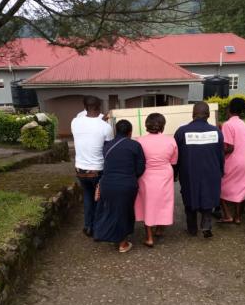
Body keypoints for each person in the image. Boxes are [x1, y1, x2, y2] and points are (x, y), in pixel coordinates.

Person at [93, 120, 146, 253]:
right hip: (126, 184)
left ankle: (108, 235)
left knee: (110, 210)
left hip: (107, 183)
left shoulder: (107, 146)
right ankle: (122, 243)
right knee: (124, 212)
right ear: (130, 132)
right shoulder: (135, 145)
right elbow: (140, 168)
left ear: (116, 131)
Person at [174, 101, 224, 238]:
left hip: (189, 172)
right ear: (208, 115)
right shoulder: (216, 132)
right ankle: (206, 225)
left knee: (189, 196)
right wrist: (221, 171)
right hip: (211, 171)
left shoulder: (181, 131)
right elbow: (221, 155)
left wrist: (175, 173)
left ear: (193, 114)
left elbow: (176, 156)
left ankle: (192, 229)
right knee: (208, 195)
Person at [71, 95, 113, 237]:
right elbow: (107, 148)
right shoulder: (106, 127)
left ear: (84, 107)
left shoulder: (75, 122)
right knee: (100, 199)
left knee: (88, 197)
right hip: (97, 170)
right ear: (99, 107)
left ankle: (88, 226)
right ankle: (98, 228)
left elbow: (87, 126)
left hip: (80, 169)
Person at [134, 113, 178, 247]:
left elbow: (136, 161)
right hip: (164, 173)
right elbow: (173, 161)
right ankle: (159, 228)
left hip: (146, 174)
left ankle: (149, 237)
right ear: (162, 126)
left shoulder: (139, 141)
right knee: (163, 202)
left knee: (147, 203)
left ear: (146, 126)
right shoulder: (171, 140)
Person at [219, 98, 245, 225]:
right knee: (241, 187)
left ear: (229, 109)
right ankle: (237, 217)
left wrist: (218, 155)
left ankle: (227, 216)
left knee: (219, 187)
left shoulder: (227, 124)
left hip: (235, 160)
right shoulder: (243, 124)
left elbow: (229, 147)